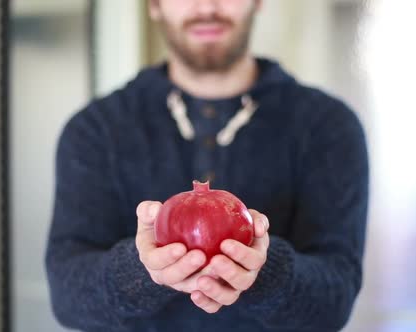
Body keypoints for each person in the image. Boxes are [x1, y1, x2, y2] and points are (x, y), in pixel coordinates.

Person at [45, 0, 369, 331]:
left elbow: (335, 301)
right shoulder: (95, 129)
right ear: (154, 5)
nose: (206, 6)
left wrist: (265, 271)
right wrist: (142, 269)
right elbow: (67, 297)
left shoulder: (328, 126)